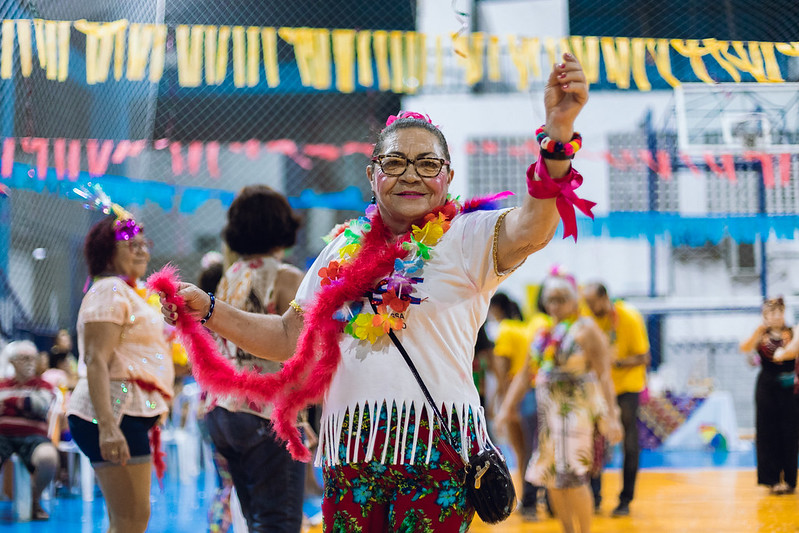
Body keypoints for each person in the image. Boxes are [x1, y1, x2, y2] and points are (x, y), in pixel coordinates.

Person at [160, 54, 591, 531]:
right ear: (373, 175)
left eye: (428, 164)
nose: (411, 175)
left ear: (447, 177)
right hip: (350, 454)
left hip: (438, 454)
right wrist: (211, 310)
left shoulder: (466, 238)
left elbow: (533, 226)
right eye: (396, 162)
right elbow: (287, 337)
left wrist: (558, 134)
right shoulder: (340, 249)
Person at [203, 184, 308, 533]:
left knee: (255, 521)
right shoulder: (285, 276)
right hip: (268, 411)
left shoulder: (226, 278)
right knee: (280, 522)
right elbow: (301, 347)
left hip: (223, 410)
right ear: (282, 226)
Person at [66, 206, 174, 533]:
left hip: (125, 413)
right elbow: (96, 360)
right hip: (113, 413)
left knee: (127, 521)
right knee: (132, 521)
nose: (142, 251)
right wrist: (108, 426)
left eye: (145, 244)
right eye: (132, 245)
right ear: (108, 251)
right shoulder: (108, 289)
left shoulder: (128, 292)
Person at [497, 273, 621, 533]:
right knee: (551, 477)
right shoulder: (542, 333)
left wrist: (612, 416)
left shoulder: (586, 329)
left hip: (576, 415)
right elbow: (524, 375)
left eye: (562, 299)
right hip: (549, 415)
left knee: (575, 478)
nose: (555, 305)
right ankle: (567, 529)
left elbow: (605, 375)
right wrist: (506, 409)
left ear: (574, 301)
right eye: (551, 300)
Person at [582, 281, 649, 517]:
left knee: (629, 443)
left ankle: (625, 500)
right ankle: (594, 497)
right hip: (598, 389)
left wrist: (615, 363)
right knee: (593, 442)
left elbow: (644, 357)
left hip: (627, 389)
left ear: (604, 298)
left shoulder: (629, 317)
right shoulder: (587, 320)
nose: (588, 307)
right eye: (586, 303)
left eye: (592, 303)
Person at [488, 292, 550, 521]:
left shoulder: (505, 331)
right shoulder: (524, 327)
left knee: (522, 451)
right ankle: (535, 498)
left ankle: (527, 500)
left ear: (496, 308)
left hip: (519, 393)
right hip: (536, 391)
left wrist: (502, 402)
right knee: (534, 448)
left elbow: (503, 373)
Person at [739, 296, 799, 495]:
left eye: (780, 312)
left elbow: (791, 351)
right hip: (767, 385)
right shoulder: (760, 334)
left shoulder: (793, 332)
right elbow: (744, 348)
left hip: (789, 385)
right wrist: (759, 330)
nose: (776, 316)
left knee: (789, 431)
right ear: (764, 315)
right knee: (767, 431)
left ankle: (789, 479)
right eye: (772, 313)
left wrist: (784, 352)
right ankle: (771, 479)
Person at [0, 340, 59, 520]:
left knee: (48, 458)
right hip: (3, 436)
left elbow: (40, 405)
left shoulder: (43, 385)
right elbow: (30, 404)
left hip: (34, 437)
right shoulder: (2, 384)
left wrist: (9, 402)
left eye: (32, 358)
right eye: (24, 358)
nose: (29, 363)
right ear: (12, 361)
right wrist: (24, 402)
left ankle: (34, 500)